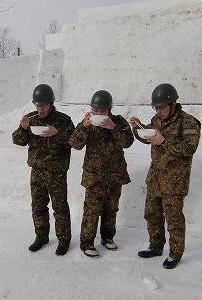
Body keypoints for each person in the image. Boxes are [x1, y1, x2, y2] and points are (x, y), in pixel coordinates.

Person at [129, 83, 201, 269]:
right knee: (152, 214)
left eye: (161, 107)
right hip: (155, 177)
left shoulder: (188, 122)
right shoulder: (157, 119)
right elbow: (149, 137)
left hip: (174, 181)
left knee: (174, 220)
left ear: (173, 103)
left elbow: (189, 148)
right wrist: (137, 128)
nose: (158, 111)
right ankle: (156, 246)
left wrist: (164, 140)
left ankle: (175, 254)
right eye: (156, 107)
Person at [69, 90, 134, 257]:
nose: (99, 113)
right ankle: (87, 243)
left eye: (103, 111)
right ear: (92, 109)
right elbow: (74, 143)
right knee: (91, 210)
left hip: (115, 174)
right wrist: (84, 127)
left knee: (111, 209)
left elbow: (127, 142)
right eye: (96, 110)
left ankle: (107, 238)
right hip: (94, 175)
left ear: (109, 110)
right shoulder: (87, 123)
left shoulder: (118, 121)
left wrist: (113, 128)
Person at [12, 83, 74, 256]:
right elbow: (17, 140)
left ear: (51, 103)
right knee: (38, 206)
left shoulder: (64, 120)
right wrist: (22, 129)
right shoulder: (31, 119)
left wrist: (57, 133)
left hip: (57, 172)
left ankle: (64, 240)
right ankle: (41, 236)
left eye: (43, 105)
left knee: (60, 207)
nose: (40, 109)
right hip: (37, 171)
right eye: (37, 105)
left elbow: (75, 141)